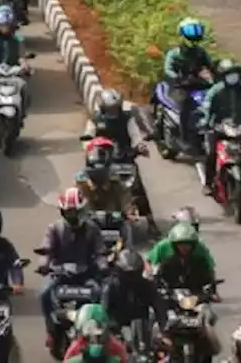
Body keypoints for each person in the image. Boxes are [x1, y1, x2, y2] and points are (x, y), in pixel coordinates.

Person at [37, 188, 107, 344]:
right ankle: (51, 330)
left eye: (74, 212)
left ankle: (101, 330)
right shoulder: (54, 228)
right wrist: (44, 264)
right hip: (60, 274)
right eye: (68, 213)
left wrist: (103, 265)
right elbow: (47, 248)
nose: (72, 216)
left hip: (86, 275)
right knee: (44, 294)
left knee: (102, 294)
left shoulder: (93, 229)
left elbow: (100, 251)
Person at [83, 89, 157, 232]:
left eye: (115, 108)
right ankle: (87, 218)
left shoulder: (127, 119)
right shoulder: (95, 120)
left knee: (138, 188)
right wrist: (90, 148)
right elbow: (87, 138)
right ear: (103, 107)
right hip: (102, 161)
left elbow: (135, 136)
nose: (113, 111)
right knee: (88, 186)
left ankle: (150, 221)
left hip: (124, 158)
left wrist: (140, 146)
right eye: (110, 108)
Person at [149, 223, 220, 354]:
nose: (184, 247)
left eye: (188, 244)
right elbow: (156, 277)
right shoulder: (167, 262)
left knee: (209, 316)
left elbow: (209, 277)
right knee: (155, 318)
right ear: (175, 245)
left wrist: (211, 291)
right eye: (181, 244)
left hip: (195, 297)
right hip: (173, 299)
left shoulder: (199, 262)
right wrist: (158, 289)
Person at [162, 17, 218, 157]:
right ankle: (184, 138)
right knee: (184, 107)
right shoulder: (174, 54)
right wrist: (178, 78)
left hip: (198, 84)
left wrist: (219, 73)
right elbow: (168, 69)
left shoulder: (201, 52)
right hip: (181, 86)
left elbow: (211, 66)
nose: (193, 41)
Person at [101, 250, 164, 348]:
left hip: (144, 330)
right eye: (128, 274)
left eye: (134, 274)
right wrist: (113, 328)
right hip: (117, 329)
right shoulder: (111, 286)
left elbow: (160, 309)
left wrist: (162, 329)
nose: (131, 278)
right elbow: (104, 312)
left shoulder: (147, 286)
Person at [202, 58, 241, 194]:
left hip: (238, 127)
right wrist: (205, 123)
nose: (233, 76)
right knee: (211, 154)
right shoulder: (215, 91)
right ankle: (208, 183)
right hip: (218, 127)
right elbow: (206, 107)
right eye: (229, 74)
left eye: (235, 73)